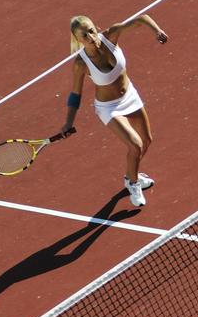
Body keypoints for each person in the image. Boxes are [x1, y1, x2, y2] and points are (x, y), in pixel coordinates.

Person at [61, 13, 168, 206]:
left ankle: (130, 175)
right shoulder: (81, 63)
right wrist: (69, 122)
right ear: (78, 40)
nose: (91, 37)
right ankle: (134, 184)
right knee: (135, 144)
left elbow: (140, 19)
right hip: (108, 108)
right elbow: (75, 94)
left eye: (91, 31)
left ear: (96, 28)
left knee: (147, 141)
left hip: (130, 96)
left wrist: (156, 31)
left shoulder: (111, 36)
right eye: (84, 36)